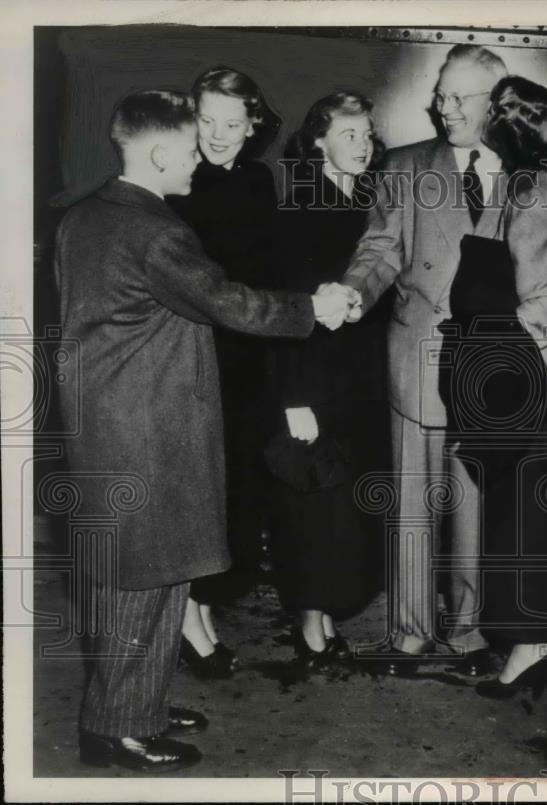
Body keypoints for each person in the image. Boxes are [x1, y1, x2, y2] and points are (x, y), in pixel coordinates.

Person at [55, 89, 355, 772]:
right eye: (191, 150)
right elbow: (230, 302)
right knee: (142, 583)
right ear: (160, 152)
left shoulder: (84, 217)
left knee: (156, 577)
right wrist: (316, 306)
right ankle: (115, 730)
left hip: (107, 422)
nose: (200, 161)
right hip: (146, 429)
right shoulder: (156, 232)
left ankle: (141, 707)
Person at [339, 45, 510, 677]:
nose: (446, 107)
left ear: (498, 101)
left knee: (476, 504)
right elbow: (379, 249)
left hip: (492, 365)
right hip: (419, 353)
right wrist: (353, 292)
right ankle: (410, 633)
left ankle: (467, 633)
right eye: (441, 95)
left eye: (460, 96)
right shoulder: (405, 167)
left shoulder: (529, 170)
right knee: (412, 502)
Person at [451, 75, 547, 701]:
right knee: (540, 517)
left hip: (538, 380)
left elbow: (542, 299)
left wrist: (511, 366)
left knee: (525, 522)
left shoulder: (531, 192)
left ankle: (531, 642)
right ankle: (538, 635)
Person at [167, 67, 283, 678]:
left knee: (236, 491)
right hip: (192, 351)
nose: (217, 134)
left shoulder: (260, 181)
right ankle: (189, 619)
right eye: (207, 120)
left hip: (246, 355)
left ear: (253, 124)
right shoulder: (177, 179)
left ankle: (201, 608)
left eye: (232, 124)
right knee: (196, 491)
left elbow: (264, 274)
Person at [270, 91, 391, 668]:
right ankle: (309, 623)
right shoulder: (296, 208)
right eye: (349, 134)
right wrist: (294, 398)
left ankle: (327, 613)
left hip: (361, 382)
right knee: (312, 507)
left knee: (344, 510)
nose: (362, 145)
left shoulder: (375, 199)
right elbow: (284, 308)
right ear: (318, 141)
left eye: (367, 134)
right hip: (313, 383)